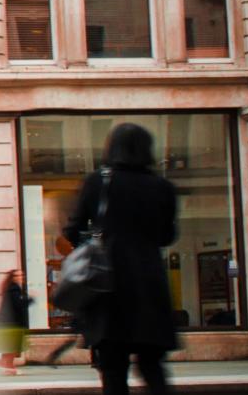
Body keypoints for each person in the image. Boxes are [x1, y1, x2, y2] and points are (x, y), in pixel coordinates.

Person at [63, 123, 177, 395]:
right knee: (153, 366)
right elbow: (167, 236)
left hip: (108, 285)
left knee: (113, 368)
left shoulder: (99, 182)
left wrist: (94, 243)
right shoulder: (162, 186)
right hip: (149, 284)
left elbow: (73, 229)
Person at [0, 269, 32, 376]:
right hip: (11, 323)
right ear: (13, 277)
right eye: (19, 275)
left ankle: (9, 368)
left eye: (22, 275)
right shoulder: (14, 289)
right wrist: (30, 299)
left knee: (10, 349)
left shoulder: (11, 288)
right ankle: (7, 367)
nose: (22, 277)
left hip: (8, 323)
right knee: (11, 348)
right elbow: (19, 304)